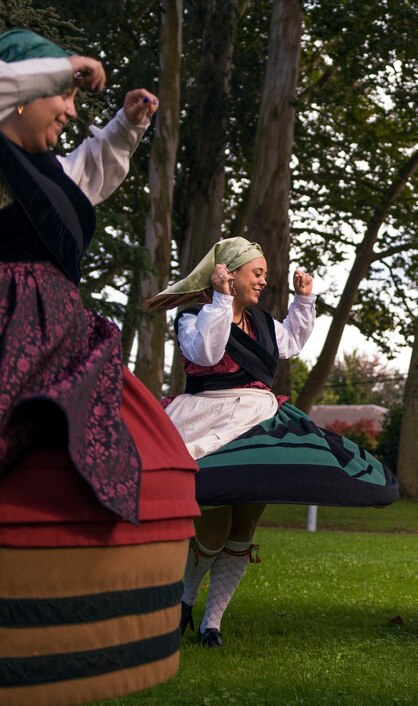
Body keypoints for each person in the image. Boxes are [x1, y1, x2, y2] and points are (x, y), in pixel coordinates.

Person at [0, 29, 199, 705]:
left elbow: (87, 176)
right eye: (59, 96)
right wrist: (61, 67)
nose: (69, 110)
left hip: (61, 335)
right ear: (18, 92)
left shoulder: (47, 169)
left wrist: (125, 126)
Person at [144, 237, 399, 648]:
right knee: (213, 530)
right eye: (257, 273)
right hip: (210, 420)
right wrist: (221, 299)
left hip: (259, 421)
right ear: (229, 274)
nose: (264, 281)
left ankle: (213, 623)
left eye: (264, 274)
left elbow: (292, 343)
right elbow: (207, 353)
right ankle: (185, 600)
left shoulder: (262, 323)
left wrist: (304, 300)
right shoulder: (194, 317)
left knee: (243, 527)